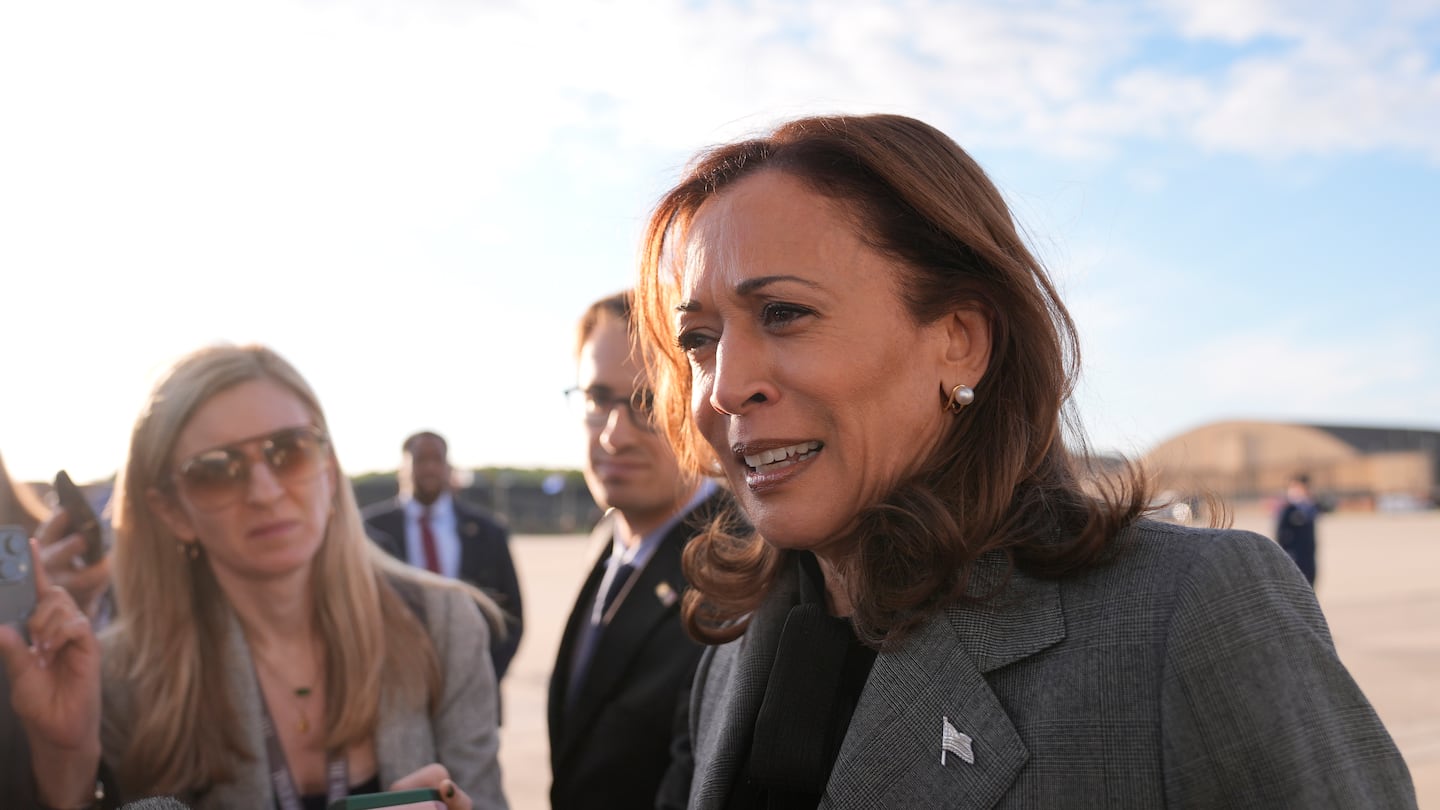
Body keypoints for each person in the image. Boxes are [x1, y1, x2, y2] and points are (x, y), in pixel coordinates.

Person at [631, 114, 1416, 808]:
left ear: (961, 341)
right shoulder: (735, 657)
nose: (724, 388)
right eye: (699, 339)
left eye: (784, 313)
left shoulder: (1187, 617)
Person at [1, 344, 508, 809]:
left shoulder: (444, 626)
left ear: (329, 471)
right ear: (171, 510)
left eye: (289, 450)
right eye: (216, 469)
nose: (264, 491)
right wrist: (63, 766)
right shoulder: (120, 676)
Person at [548, 291, 729, 810]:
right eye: (596, 399)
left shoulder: (741, 572)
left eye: (647, 402)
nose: (613, 434)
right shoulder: (608, 545)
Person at [364, 432, 524, 684]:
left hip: (472, 682)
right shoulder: (369, 531)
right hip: (396, 685)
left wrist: (486, 675)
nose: (429, 467)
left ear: (448, 467)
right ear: (402, 468)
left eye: (437, 459)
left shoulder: (487, 531)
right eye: (420, 459)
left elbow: (511, 612)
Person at [1276, 473, 1320, 586]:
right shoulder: (1287, 509)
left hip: (1308, 556)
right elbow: (1280, 534)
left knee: (1310, 586)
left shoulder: (1310, 506)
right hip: (1293, 556)